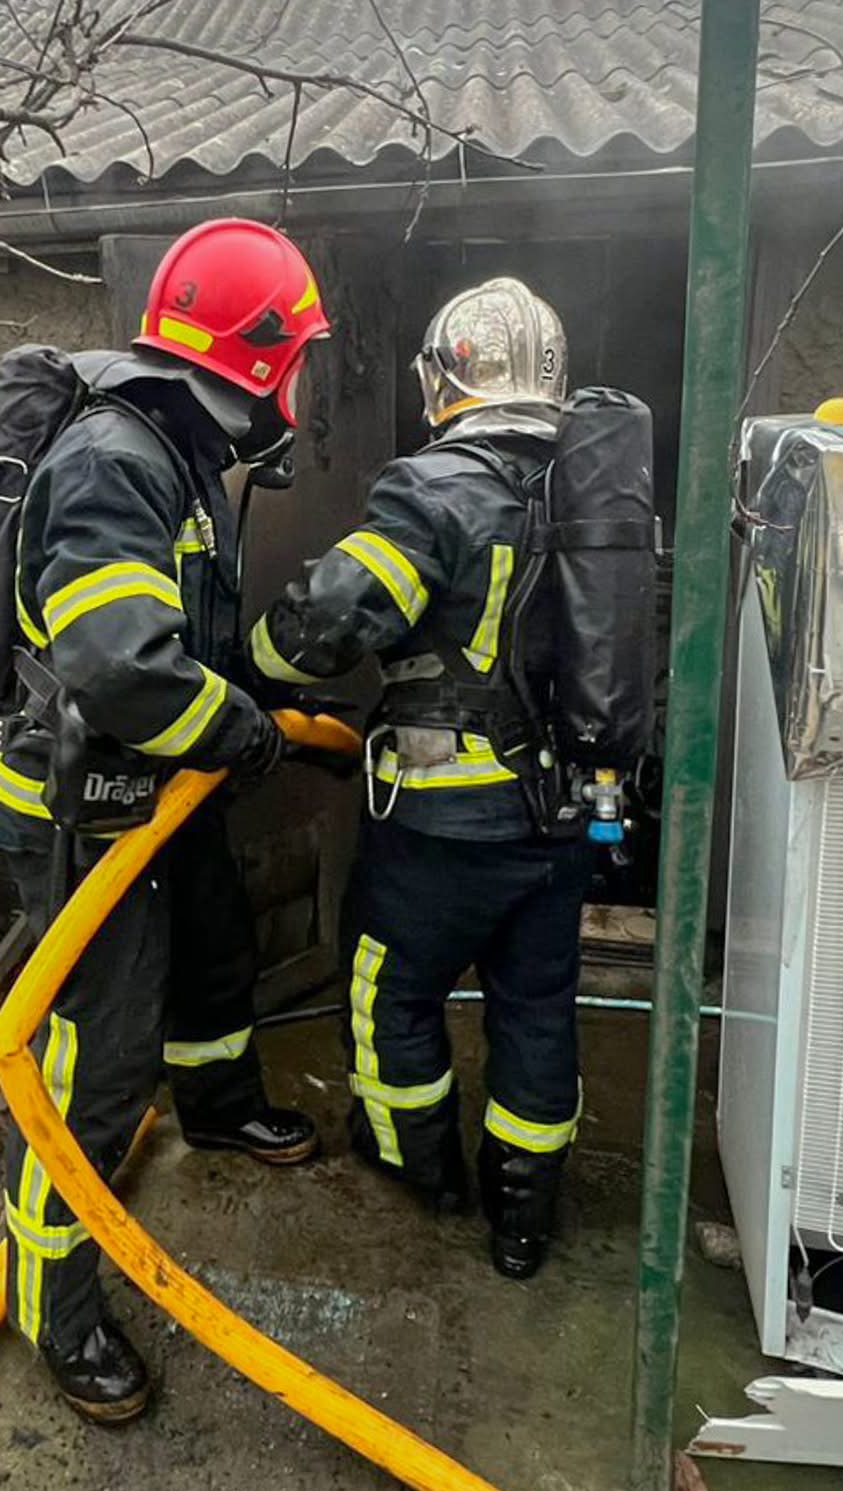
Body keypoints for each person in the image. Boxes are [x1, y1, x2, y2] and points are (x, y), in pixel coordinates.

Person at [0, 218, 329, 1422]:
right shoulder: (113, 461)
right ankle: (54, 1308)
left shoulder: (176, 454)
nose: (302, 384)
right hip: (84, 815)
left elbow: (174, 638)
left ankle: (220, 1111)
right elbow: (121, 664)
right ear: (260, 357)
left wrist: (245, 711)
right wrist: (243, 732)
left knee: (215, 956)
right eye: (298, 359)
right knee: (96, 1063)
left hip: (152, 793)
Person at [247, 277, 595, 1281]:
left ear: (445, 379)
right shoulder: (596, 491)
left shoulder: (433, 490)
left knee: (388, 996)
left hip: (441, 828)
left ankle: (419, 1171)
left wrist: (249, 671)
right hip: (567, 816)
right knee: (538, 1008)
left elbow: (328, 621)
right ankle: (523, 1216)